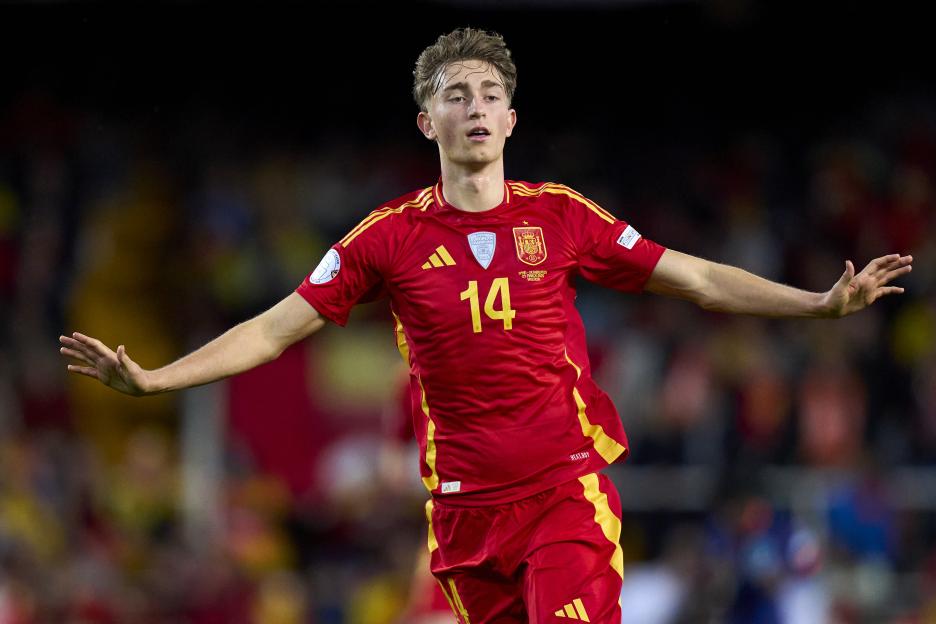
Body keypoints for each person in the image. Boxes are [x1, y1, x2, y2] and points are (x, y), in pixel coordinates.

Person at [59, 27, 912, 624]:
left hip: (563, 492)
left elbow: (693, 276)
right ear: (427, 122)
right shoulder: (386, 238)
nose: (475, 106)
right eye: (455, 94)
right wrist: (157, 378)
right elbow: (276, 329)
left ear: (511, 120)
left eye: (491, 94)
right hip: (463, 514)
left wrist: (815, 304)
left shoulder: (561, 216)